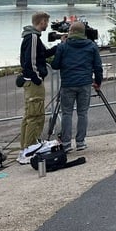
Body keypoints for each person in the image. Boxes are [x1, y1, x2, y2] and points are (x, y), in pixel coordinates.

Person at [50, 21, 103, 151]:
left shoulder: (64, 46)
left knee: (67, 113)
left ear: (70, 32)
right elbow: (97, 66)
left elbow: (55, 65)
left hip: (68, 83)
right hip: (85, 83)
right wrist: (98, 82)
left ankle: (66, 143)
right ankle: (80, 142)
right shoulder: (91, 46)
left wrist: (61, 45)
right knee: (82, 113)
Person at [19, 11, 57, 149]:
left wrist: (59, 46)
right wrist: (37, 78)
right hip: (33, 82)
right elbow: (31, 60)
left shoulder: (32, 37)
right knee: (36, 115)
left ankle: (25, 147)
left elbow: (43, 54)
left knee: (30, 115)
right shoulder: (33, 37)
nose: (47, 25)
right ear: (42, 22)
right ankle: (31, 147)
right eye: (46, 22)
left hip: (30, 81)